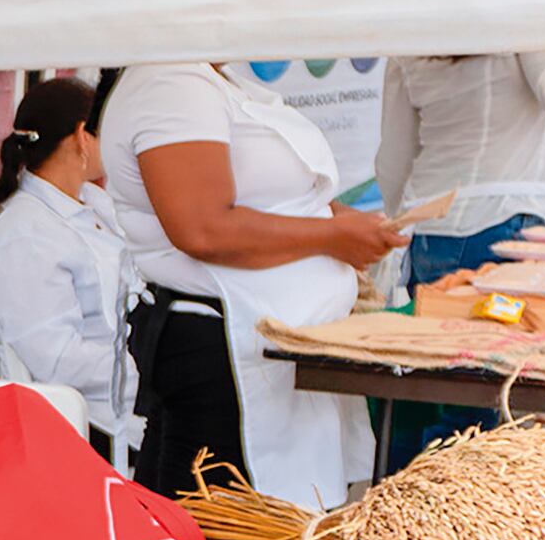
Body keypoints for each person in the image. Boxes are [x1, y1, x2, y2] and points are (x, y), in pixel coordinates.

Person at [99, 64, 409, 505]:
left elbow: (278, 194)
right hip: (222, 349)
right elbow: (202, 229)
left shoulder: (215, 79)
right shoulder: (169, 82)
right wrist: (330, 237)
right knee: (221, 539)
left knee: (266, 530)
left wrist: (338, 218)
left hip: (262, 350)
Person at [373, 49, 545, 469]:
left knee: (424, 392)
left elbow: (392, 161)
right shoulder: (527, 15)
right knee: (476, 409)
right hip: (499, 229)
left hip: (430, 231)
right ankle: (442, 521)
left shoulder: (420, 29)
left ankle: (392, 513)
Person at [0, 76, 142, 453]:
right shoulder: (22, 235)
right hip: (97, 423)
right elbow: (56, 359)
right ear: (83, 135)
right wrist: (146, 372)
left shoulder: (95, 202)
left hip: (133, 396)